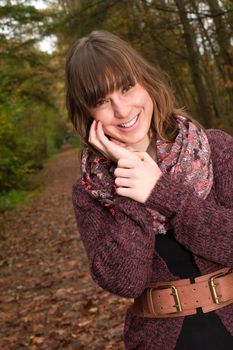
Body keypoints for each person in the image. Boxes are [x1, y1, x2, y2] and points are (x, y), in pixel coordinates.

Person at [65, 30, 233, 349]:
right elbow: (124, 281)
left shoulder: (216, 148)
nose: (123, 110)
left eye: (127, 88)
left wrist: (161, 192)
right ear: (87, 113)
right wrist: (128, 181)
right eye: (102, 100)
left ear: (146, 82)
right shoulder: (89, 190)